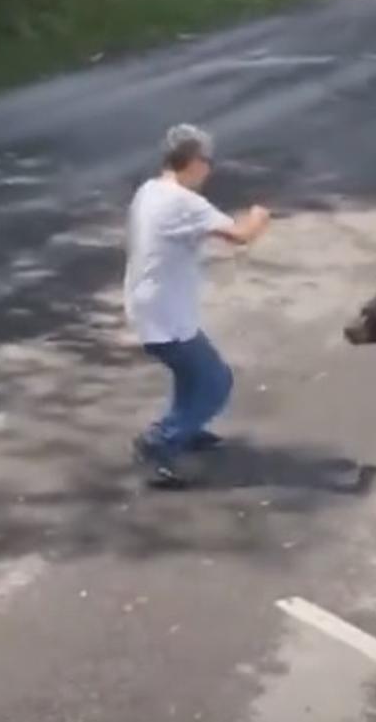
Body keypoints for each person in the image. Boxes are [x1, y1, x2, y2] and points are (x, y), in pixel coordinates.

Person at [124, 124, 271, 488]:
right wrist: (259, 215)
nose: (209, 169)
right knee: (214, 382)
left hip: (152, 304)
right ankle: (160, 443)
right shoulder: (183, 201)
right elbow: (241, 235)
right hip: (164, 314)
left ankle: (184, 429)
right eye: (208, 161)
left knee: (190, 374)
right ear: (192, 161)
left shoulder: (150, 190)